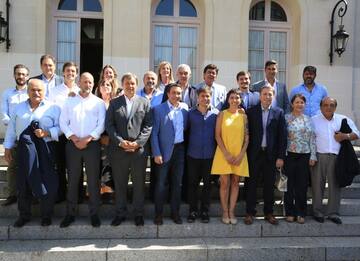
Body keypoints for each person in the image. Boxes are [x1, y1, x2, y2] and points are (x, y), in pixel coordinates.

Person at [4, 79, 61, 227]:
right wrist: (8, 147)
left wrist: (47, 132)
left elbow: (61, 128)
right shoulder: (18, 108)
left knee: (47, 181)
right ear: (28, 91)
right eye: (33, 90)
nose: (36, 93)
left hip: (46, 149)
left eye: (39, 90)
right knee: (23, 182)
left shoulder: (53, 108)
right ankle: (24, 215)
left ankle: (46, 215)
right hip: (23, 150)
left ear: (44, 91)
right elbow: (11, 129)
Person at [59, 72, 106, 228]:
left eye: (90, 82)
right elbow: (63, 122)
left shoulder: (98, 103)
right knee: (72, 180)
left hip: (91, 145)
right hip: (73, 145)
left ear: (94, 84)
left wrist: (88, 138)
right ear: (79, 83)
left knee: (93, 181)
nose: (88, 85)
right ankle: (70, 214)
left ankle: (94, 214)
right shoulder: (69, 101)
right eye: (85, 82)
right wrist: (73, 138)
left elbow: (101, 124)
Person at [106, 73, 152, 226]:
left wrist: (138, 143)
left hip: (138, 152)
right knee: (120, 184)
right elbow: (109, 125)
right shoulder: (114, 103)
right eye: (127, 83)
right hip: (119, 151)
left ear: (136, 85)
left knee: (139, 184)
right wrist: (120, 142)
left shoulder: (144, 102)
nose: (130, 86)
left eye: (133, 83)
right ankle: (120, 213)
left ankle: (138, 214)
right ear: (123, 84)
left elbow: (148, 126)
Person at [311, 97, 359, 224]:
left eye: (332, 105)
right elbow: (309, 139)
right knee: (317, 185)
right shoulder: (313, 120)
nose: (328, 107)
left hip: (337, 157)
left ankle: (333, 213)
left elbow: (356, 134)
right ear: (321, 107)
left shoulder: (343, 119)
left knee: (335, 185)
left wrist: (345, 136)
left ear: (335, 107)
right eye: (325, 105)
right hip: (318, 156)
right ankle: (317, 211)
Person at [244, 84, 287, 225]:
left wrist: (280, 156)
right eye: (264, 94)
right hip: (254, 154)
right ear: (260, 96)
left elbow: (282, 137)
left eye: (270, 94)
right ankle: (250, 212)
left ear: (273, 96)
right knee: (251, 184)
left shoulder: (278, 113)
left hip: (271, 155)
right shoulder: (250, 112)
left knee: (269, 185)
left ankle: (269, 213)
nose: (267, 97)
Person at [151, 83, 188, 225]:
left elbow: (186, 127)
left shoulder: (185, 109)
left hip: (180, 150)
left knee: (177, 184)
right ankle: (158, 214)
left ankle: (175, 213)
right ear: (168, 94)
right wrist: (157, 153)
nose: (176, 96)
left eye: (179, 93)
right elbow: (154, 134)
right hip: (163, 151)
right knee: (161, 184)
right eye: (174, 93)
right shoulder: (159, 110)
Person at [211, 89, 249, 225]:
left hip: (239, 154)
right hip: (223, 153)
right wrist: (226, 153)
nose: (234, 100)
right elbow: (217, 135)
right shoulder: (222, 114)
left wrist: (241, 154)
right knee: (225, 183)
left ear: (240, 100)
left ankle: (232, 211)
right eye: (232, 97)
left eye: (237, 97)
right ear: (228, 100)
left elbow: (247, 138)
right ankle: (225, 211)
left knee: (235, 183)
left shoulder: (244, 116)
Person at [48, 61, 80, 203]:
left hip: (75, 134)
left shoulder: (81, 91)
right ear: (63, 73)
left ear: (76, 74)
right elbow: (50, 111)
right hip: (60, 134)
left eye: (73, 71)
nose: (70, 73)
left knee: (75, 167)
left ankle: (77, 195)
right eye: (68, 71)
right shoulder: (54, 91)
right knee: (60, 166)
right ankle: (61, 194)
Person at [186, 86, 219, 223]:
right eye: (202, 96)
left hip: (210, 156)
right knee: (192, 184)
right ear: (197, 98)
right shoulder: (190, 113)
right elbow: (185, 132)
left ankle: (205, 211)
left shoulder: (217, 114)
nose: (205, 99)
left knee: (207, 185)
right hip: (193, 154)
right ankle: (193, 210)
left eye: (208, 96)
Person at [284, 94, 317, 224]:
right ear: (292, 104)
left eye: (302, 102)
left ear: (305, 104)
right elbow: (282, 138)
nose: (299, 104)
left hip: (304, 155)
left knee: (302, 186)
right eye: (297, 102)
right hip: (289, 155)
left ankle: (301, 212)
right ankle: (290, 212)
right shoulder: (286, 118)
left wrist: (313, 155)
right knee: (289, 185)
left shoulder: (309, 120)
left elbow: (312, 139)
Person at [1, 64, 29, 206]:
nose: (21, 76)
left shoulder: (31, 92)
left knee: (29, 165)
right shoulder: (7, 94)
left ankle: (28, 194)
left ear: (27, 76)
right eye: (18, 74)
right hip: (13, 135)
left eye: (23, 74)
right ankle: (12, 195)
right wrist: (14, 124)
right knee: (12, 165)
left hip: (29, 136)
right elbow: (3, 114)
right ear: (14, 76)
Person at [95, 79, 117, 203]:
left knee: (110, 168)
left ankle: (110, 194)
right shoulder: (95, 102)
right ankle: (98, 193)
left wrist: (110, 137)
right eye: (103, 84)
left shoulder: (115, 102)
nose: (105, 86)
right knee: (98, 168)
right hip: (96, 140)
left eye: (108, 84)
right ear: (99, 88)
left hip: (112, 141)